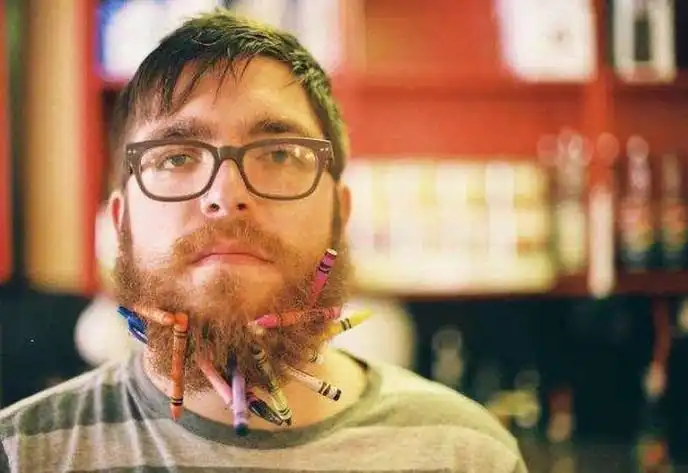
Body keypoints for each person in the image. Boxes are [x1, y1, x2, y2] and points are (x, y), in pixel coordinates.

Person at [0, 11, 528, 472]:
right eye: (176, 157)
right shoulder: (21, 453)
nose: (225, 195)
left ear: (340, 215)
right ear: (120, 224)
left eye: (279, 154)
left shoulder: (468, 455)